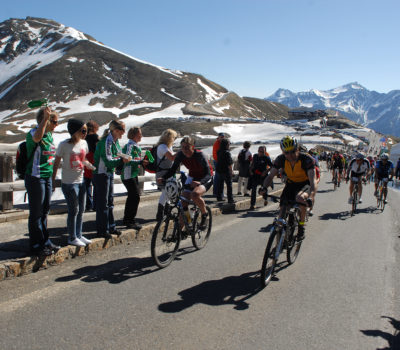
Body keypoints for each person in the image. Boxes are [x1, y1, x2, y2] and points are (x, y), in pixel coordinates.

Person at [261, 136, 317, 240]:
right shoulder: (281, 159)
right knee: (281, 212)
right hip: (291, 184)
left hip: (305, 184)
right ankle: (279, 243)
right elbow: (270, 176)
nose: (290, 155)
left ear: (297, 149)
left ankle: (301, 226)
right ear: (283, 152)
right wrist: (264, 187)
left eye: (293, 151)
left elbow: (313, 181)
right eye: (286, 153)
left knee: (300, 199)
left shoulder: (306, 159)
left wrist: (312, 196)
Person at [52, 119, 94, 247]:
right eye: (83, 130)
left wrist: (88, 165)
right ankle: (72, 237)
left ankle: (79, 234)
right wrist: (53, 180)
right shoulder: (63, 145)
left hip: (81, 180)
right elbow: (56, 162)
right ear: (74, 131)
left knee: (81, 209)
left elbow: (84, 158)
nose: (85, 133)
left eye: (86, 130)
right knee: (73, 210)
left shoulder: (84, 143)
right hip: (69, 182)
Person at [24, 106, 59, 256]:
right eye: (55, 121)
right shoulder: (34, 133)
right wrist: (45, 119)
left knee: (45, 211)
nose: (57, 125)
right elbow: (37, 138)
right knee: (36, 212)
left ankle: (45, 241)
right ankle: (36, 244)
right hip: (35, 177)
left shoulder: (50, 136)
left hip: (46, 177)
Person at [159, 136, 213, 230]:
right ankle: (187, 222)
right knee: (183, 201)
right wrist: (163, 177)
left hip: (205, 178)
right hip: (192, 176)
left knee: (195, 194)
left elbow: (208, 174)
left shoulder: (200, 155)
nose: (185, 150)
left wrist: (200, 182)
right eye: (183, 147)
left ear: (193, 147)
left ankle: (205, 215)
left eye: (187, 147)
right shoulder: (180, 154)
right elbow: (173, 170)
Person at [93, 120, 129, 238]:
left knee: (110, 201)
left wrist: (125, 157)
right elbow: (108, 161)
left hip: (109, 173)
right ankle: (102, 230)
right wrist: (121, 160)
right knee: (103, 203)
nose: (124, 133)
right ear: (116, 130)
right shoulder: (106, 142)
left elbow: (118, 154)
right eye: (123, 130)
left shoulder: (115, 141)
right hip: (101, 173)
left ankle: (111, 226)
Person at [121, 127, 148, 230]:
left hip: (133, 174)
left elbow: (134, 159)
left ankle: (128, 219)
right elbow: (127, 159)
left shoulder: (136, 146)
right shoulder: (130, 146)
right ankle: (129, 220)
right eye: (139, 134)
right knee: (135, 196)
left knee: (133, 196)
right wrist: (140, 162)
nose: (141, 136)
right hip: (128, 175)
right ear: (134, 135)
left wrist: (140, 163)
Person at [155, 129, 177, 221]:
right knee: (165, 192)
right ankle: (160, 214)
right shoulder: (163, 147)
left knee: (168, 192)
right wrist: (182, 152)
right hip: (163, 173)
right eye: (174, 137)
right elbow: (171, 157)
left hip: (168, 172)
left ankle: (166, 213)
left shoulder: (167, 146)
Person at [249, 146, 272, 210]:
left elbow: (272, 166)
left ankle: (265, 199)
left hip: (263, 175)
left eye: (262, 152)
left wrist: (266, 171)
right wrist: (250, 170)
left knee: (263, 188)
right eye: (259, 151)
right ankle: (252, 204)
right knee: (253, 189)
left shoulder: (266, 158)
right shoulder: (255, 156)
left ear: (265, 152)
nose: (260, 153)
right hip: (255, 175)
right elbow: (252, 164)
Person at [83, 120, 99, 211]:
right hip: (94, 159)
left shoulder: (84, 137)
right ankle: (95, 205)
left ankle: (88, 204)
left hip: (86, 159)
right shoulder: (96, 137)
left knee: (87, 184)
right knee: (96, 184)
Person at [216, 138, 234, 203]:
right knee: (229, 185)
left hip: (219, 169)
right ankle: (230, 199)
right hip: (226, 170)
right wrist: (231, 171)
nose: (229, 145)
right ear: (226, 144)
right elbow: (229, 163)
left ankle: (219, 197)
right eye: (229, 144)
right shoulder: (227, 153)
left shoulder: (218, 151)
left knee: (220, 184)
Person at [212, 133, 225, 199]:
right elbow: (216, 154)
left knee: (217, 177)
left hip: (218, 161)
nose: (222, 138)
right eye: (221, 137)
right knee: (219, 177)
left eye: (223, 137)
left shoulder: (219, 143)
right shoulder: (217, 144)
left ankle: (216, 192)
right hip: (218, 161)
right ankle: (218, 193)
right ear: (219, 137)